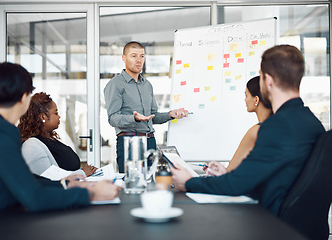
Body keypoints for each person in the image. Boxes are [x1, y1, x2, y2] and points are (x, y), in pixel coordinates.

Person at [171, 45, 325, 216]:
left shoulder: (278, 126)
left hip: (275, 227)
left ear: (268, 80)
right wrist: (227, 175)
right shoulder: (311, 122)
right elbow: (284, 179)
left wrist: (188, 182)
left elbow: (236, 185)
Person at [0, 62, 120, 221]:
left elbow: (24, 179)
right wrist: (92, 194)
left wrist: (65, 184)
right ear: (24, 97)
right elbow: (34, 197)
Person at [104, 41, 189, 172]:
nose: (139, 60)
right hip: (130, 143)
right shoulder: (115, 84)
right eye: (134, 56)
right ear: (124, 58)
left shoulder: (147, 85)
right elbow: (112, 118)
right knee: (131, 185)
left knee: (151, 183)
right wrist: (134, 118)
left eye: (142, 56)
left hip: (150, 142)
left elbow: (153, 116)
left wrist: (170, 114)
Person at [204, 76, 272, 176]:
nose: (245, 100)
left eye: (246, 95)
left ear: (256, 100)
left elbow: (230, 172)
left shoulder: (256, 131)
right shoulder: (279, 127)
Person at [18, 92, 98, 177]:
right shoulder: (32, 146)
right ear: (43, 117)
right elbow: (48, 180)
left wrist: (83, 171)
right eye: (55, 113)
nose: (59, 116)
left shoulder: (50, 139)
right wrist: (82, 173)